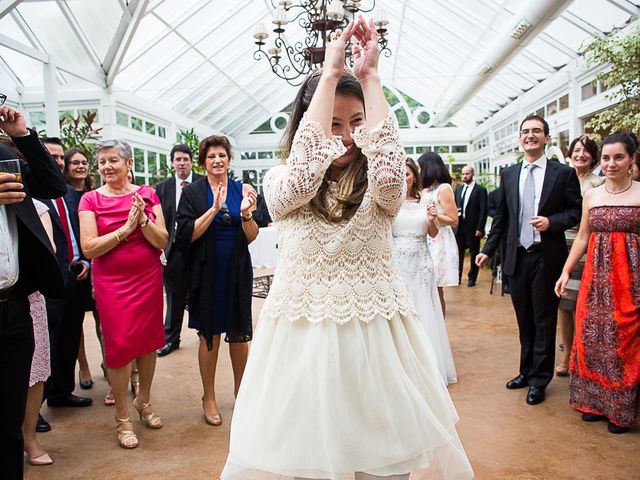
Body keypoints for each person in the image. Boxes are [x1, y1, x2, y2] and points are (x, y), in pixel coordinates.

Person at [221, 18, 473, 480]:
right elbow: (300, 175)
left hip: (374, 339)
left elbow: (394, 177)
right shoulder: (281, 182)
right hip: (303, 342)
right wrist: (332, 74)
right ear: (308, 126)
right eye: (332, 123)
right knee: (305, 461)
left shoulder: (382, 188)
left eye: (356, 122)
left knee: (384, 460)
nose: (346, 135)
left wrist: (371, 77)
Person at [476, 114, 582, 406]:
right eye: (525, 131)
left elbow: (575, 212)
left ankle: (539, 380)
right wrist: (488, 248)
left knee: (544, 319)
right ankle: (525, 371)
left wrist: (552, 221)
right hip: (517, 256)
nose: (530, 135)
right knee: (524, 319)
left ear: (547, 138)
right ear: (520, 138)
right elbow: (502, 217)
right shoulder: (509, 174)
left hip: (546, 256)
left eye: (537, 131)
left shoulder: (563, 174)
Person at [79, 139, 168, 449]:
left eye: (112, 160)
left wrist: (142, 219)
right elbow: (89, 247)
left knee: (148, 342)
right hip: (112, 284)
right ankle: (122, 416)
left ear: (129, 164)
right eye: (101, 162)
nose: (106, 167)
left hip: (147, 279)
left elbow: (162, 239)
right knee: (118, 347)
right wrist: (124, 230)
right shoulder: (90, 200)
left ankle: (143, 400)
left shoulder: (148, 195)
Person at [555, 132, 640, 434]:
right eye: (606, 157)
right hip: (595, 278)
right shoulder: (592, 194)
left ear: (632, 158)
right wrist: (565, 272)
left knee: (625, 339)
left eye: (618, 157)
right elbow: (582, 237)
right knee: (592, 338)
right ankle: (595, 403)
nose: (611, 163)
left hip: (631, 279)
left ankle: (621, 410)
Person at [0, 104, 66, 480]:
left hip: (15, 306)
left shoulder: (6, 154)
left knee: (10, 421)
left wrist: (22, 134)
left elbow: (53, 186)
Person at [176, 135, 257, 426]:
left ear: (229, 159)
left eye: (222, 155)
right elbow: (187, 235)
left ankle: (241, 392)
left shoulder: (240, 190)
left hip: (235, 270)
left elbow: (251, 236)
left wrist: (246, 213)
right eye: (211, 156)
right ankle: (208, 397)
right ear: (204, 162)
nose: (217, 160)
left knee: (238, 334)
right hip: (206, 271)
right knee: (209, 335)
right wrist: (213, 209)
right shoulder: (193, 193)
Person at [393, 158, 457, 385]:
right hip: (397, 262)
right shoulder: (389, 203)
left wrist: (432, 220)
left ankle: (428, 366)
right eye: (400, 173)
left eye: (408, 174)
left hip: (421, 263)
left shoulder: (425, 201)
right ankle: (403, 366)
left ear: (414, 177)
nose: (404, 178)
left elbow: (431, 233)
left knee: (424, 311)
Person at [40, 138, 93, 414]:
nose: (58, 162)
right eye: (52, 156)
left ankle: (62, 392)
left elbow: (80, 234)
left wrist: (85, 260)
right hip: (48, 281)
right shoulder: (33, 193)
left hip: (76, 276)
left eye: (61, 157)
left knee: (71, 336)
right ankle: (33, 409)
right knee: (45, 343)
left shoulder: (71, 194)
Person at [555, 135, 604, 377]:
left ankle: (582, 354)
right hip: (560, 246)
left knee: (582, 304)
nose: (580, 155)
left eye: (585, 151)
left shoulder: (598, 183)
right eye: (576, 150)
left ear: (593, 157)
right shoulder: (561, 178)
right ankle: (566, 355)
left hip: (586, 247)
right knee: (563, 304)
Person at [155, 144, 203, 357]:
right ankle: (171, 339)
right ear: (172, 162)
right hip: (172, 249)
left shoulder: (202, 183)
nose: (182, 163)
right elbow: (159, 219)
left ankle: (205, 332)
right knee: (174, 296)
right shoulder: (163, 188)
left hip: (198, 247)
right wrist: (160, 248)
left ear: (191, 161)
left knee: (201, 292)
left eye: (185, 159)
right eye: (178, 159)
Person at [62, 147, 98, 390]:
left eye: (84, 162)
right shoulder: (61, 196)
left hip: (96, 263)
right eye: (74, 162)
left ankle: (109, 362)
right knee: (76, 322)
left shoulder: (95, 194)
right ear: (66, 167)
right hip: (74, 266)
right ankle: (83, 365)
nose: (80, 166)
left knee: (102, 319)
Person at [23, 199, 55, 466]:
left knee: (34, 371)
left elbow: (48, 251)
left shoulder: (37, 209)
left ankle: (29, 437)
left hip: (27, 298)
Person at [418, 151, 459, 317]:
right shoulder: (425, 190)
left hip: (438, 241)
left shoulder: (443, 189)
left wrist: (434, 215)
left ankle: (439, 327)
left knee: (436, 288)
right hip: (424, 237)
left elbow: (454, 219)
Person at [454, 165, 488, 287]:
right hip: (459, 227)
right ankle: (457, 277)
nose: (464, 176)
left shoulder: (481, 190)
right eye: (463, 174)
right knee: (458, 254)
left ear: (472, 174)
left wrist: (480, 228)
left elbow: (483, 210)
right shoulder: (458, 190)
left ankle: (472, 278)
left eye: (467, 174)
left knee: (474, 253)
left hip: (473, 228)